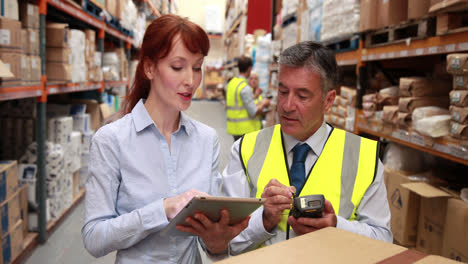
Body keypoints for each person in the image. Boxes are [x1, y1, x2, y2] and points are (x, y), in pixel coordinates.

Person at [82, 15, 249, 263]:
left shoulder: (206, 139)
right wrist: (162, 210)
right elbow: (94, 238)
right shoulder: (111, 140)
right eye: (177, 67)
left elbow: (210, 243)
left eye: (196, 68)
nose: (190, 81)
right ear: (149, 68)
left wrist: (217, 242)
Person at [221, 41, 392, 254]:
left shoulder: (363, 158)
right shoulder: (245, 150)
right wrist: (263, 220)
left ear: (328, 100)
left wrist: (337, 227)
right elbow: (223, 243)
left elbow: (383, 241)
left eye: (302, 96)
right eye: (283, 92)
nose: (286, 106)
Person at [226, 56, 270, 141]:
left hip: (234, 128)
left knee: (238, 152)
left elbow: (239, 102)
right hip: (245, 129)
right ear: (250, 68)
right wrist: (264, 103)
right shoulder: (244, 87)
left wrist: (255, 96)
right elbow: (253, 112)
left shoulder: (232, 83)